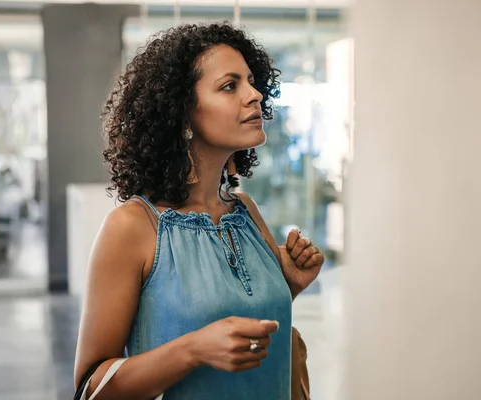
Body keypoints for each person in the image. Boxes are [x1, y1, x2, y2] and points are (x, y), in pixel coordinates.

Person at [73, 23, 324, 400]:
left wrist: (288, 286)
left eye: (252, 82)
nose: (254, 95)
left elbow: (242, 324)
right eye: (230, 85)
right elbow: (90, 388)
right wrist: (194, 350)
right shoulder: (132, 227)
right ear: (183, 114)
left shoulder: (246, 213)